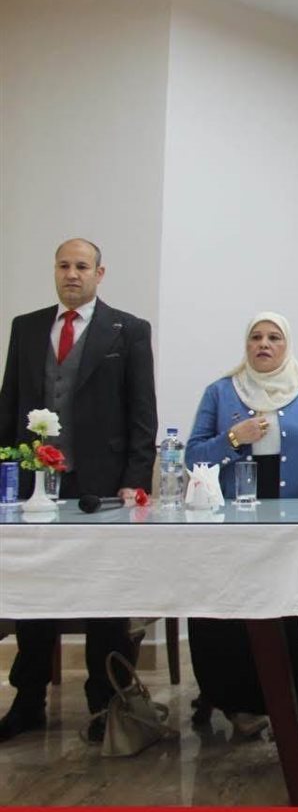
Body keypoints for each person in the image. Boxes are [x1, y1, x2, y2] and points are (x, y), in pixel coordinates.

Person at [0, 238, 157, 743]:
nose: (72, 274)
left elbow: (142, 413)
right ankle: (28, 701)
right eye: (64, 265)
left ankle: (104, 703)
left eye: (82, 266)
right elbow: (9, 405)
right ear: (55, 270)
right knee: (35, 593)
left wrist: (135, 480)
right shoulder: (26, 328)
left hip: (102, 487)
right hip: (36, 485)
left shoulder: (128, 330)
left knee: (103, 596)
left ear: (99, 274)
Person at [184, 312, 298, 737]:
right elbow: (193, 456)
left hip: (297, 526)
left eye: (274, 337)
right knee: (229, 611)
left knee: (294, 609)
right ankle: (237, 704)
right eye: (256, 337)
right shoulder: (221, 392)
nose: (264, 344)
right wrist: (233, 438)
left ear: (287, 345)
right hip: (234, 526)